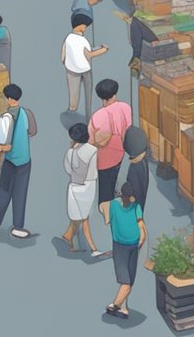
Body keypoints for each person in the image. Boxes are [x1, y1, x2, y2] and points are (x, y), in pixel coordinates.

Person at [0, 84, 36, 239]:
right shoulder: (27, 113)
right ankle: (18, 226)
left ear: (8, 99)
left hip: (11, 162)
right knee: (21, 193)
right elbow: (33, 131)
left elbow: (0, 147)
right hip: (25, 160)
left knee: (5, 191)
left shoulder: (6, 118)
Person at [90, 78, 132, 222]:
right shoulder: (125, 107)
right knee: (114, 178)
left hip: (104, 157)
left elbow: (90, 140)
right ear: (115, 94)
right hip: (120, 151)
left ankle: (107, 215)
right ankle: (116, 203)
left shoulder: (98, 116)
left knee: (105, 186)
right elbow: (128, 128)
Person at [104, 182, 146, 320]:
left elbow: (109, 219)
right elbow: (140, 225)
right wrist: (142, 238)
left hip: (120, 245)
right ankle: (116, 305)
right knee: (128, 281)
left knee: (125, 279)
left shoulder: (114, 205)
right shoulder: (136, 207)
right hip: (132, 245)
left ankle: (117, 305)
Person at [62, 122, 103, 256]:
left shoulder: (70, 152)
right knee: (84, 218)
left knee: (78, 216)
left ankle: (68, 236)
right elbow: (93, 171)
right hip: (88, 187)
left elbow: (68, 170)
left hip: (74, 187)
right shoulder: (93, 151)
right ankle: (94, 249)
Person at [62, 13, 107, 114]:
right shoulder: (83, 40)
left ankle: (72, 109)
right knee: (88, 92)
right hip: (85, 69)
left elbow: (63, 55)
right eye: (85, 26)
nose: (85, 28)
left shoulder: (68, 38)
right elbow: (89, 54)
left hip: (71, 70)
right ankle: (88, 112)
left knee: (73, 92)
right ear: (80, 26)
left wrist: (67, 62)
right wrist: (103, 50)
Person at [121, 126, 150, 211]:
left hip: (133, 205)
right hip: (137, 205)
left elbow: (134, 188)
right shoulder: (143, 163)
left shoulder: (135, 167)